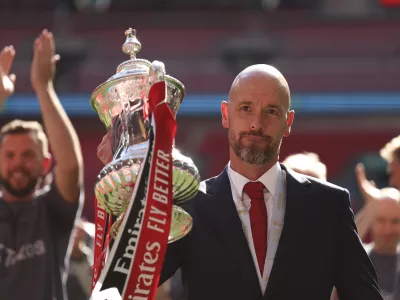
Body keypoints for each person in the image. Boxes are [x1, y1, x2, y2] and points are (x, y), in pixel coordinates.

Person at [97, 64, 383, 300]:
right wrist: (125, 188)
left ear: (289, 121)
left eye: (271, 111)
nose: (256, 123)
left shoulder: (328, 205)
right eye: (245, 108)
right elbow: (125, 285)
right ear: (225, 114)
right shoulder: (189, 205)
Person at [0, 30, 84, 300]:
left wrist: (43, 87)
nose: (17, 164)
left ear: (46, 162)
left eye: (27, 155)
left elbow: (70, 166)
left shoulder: (51, 210)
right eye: (9, 155)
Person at [354, 163, 400, 300]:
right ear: (371, 221)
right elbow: (341, 247)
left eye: (395, 221)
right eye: (381, 220)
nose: (387, 229)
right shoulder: (358, 258)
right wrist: (371, 207)